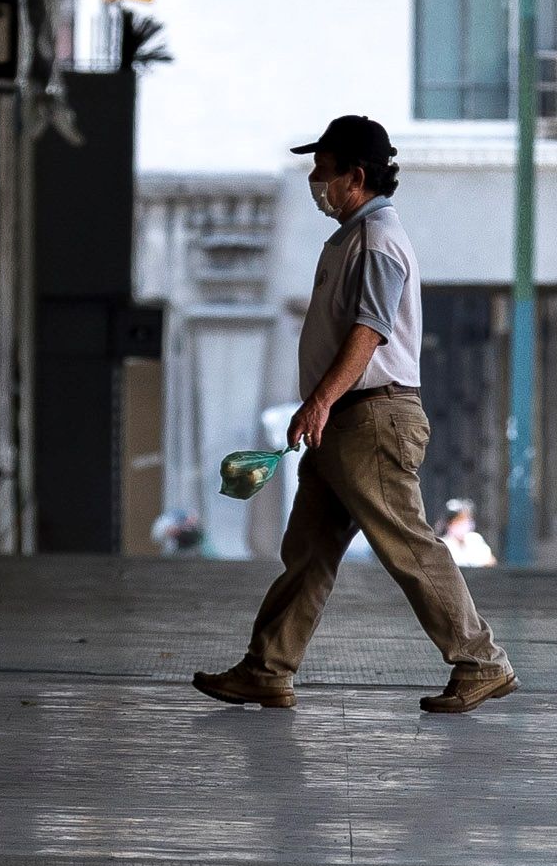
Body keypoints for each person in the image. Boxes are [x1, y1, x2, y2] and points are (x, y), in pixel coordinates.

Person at [195, 115, 519, 715]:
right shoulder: (353, 234)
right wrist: (317, 404)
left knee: (405, 542)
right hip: (345, 416)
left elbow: (370, 329)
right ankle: (267, 669)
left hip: (372, 418)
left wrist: (319, 400)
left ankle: (481, 660)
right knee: (310, 549)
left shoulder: (377, 239)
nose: (316, 178)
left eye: (324, 168)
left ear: (356, 175)